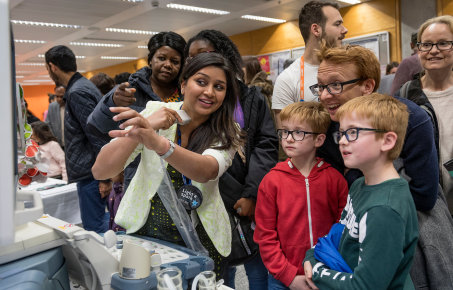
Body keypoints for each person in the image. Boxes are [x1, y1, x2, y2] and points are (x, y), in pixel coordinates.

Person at [92, 53, 243, 279]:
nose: (209, 92)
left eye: (219, 87)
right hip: (146, 234)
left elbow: (207, 170)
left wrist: (158, 142)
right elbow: (101, 170)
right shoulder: (154, 113)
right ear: (183, 85)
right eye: (201, 82)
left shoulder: (227, 130)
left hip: (203, 238)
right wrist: (145, 128)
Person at [311, 44, 447, 288]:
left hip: (406, 228)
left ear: (368, 86)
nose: (324, 95)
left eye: (335, 85)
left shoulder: (409, 119)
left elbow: (425, 196)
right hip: (354, 226)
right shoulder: (329, 124)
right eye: (320, 87)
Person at [185, 30, 279, 289]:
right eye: (190, 58)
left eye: (203, 54)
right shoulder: (194, 99)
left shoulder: (251, 99)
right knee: (217, 271)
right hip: (207, 198)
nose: (195, 61)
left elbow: (266, 145)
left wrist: (252, 193)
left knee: (255, 264)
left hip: (245, 196)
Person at [304, 93, 418, 289]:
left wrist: (316, 271)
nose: (342, 141)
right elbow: (339, 235)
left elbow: (365, 286)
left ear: (387, 141)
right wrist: (311, 257)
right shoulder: (359, 185)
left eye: (353, 132)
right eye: (341, 133)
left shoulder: (384, 210)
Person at [254, 101, 348, 290]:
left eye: (298, 132)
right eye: (285, 131)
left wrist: (329, 266)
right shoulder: (271, 181)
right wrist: (288, 276)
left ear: (319, 140)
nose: (288, 138)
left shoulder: (335, 180)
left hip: (326, 273)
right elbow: (265, 236)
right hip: (282, 278)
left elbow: (343, 228)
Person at [87, 31, 186, 189]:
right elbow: (96, 124)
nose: (168, 64)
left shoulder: (185, 93)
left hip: (179, 174)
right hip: (139, 178)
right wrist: (111, 101)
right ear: (150, 60)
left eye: (175, 61)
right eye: (162, 58)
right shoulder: (129, 90)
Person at [45, 45, 110, 233]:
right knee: (98, 223)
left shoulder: (77, 92)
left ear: (52, 66)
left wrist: (104, 177)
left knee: (95, 228)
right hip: (92, 170)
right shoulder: (80, 87)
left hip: (92, 173)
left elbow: (97, 134)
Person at [396, 15, 453, 213]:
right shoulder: (405, 95)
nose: (434, 50)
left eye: (443, 43)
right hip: (425, 206)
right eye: (426, 44)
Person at [272, 0, 348, 129]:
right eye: (337, 24)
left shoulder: (350, 69)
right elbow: (286, 137)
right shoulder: (287, 80)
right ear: (316, 29)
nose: (345, 30)